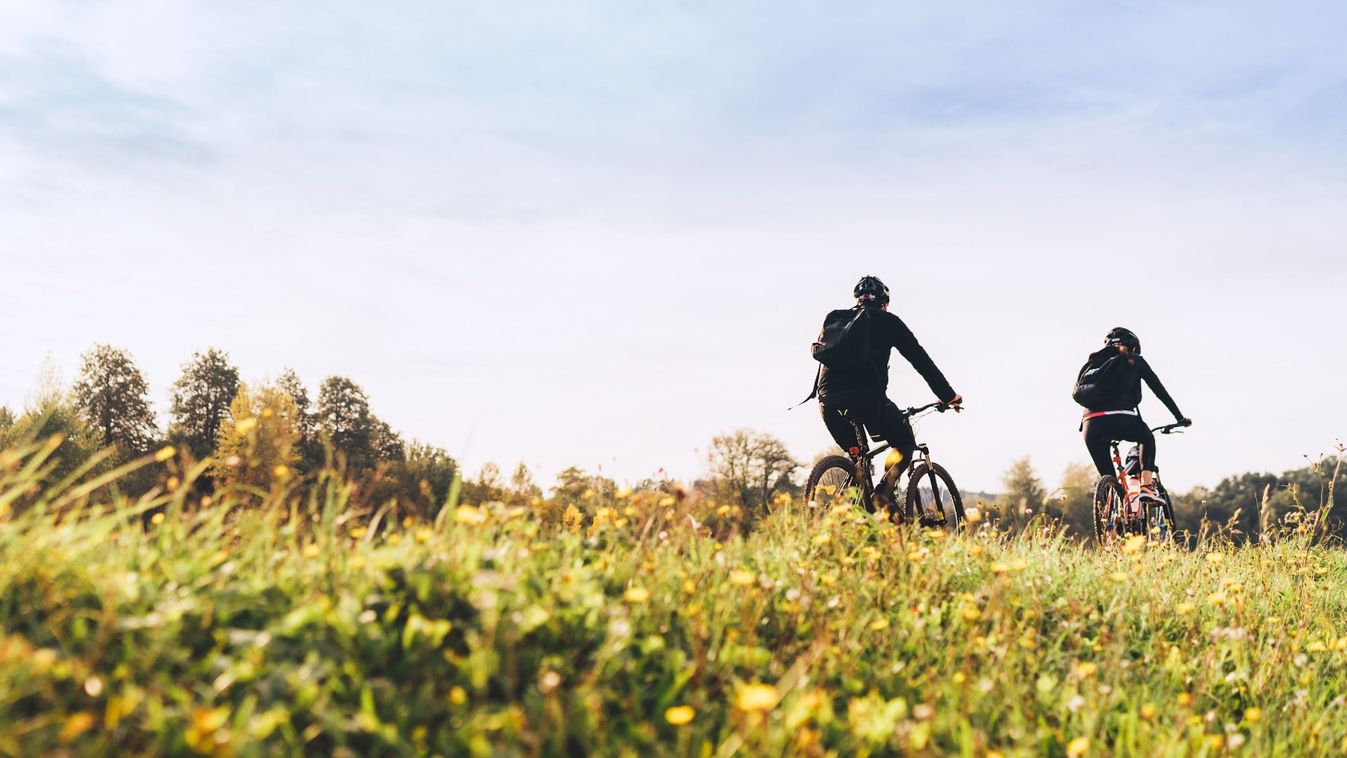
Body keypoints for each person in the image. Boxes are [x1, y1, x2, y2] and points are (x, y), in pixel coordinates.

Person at [815, 275, 962, 514]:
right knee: (905, 442)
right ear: (884, 303)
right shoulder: (888, 322)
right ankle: (884, 493)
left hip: (829, 405)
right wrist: (948, 395)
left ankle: (860, 521)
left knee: (859, 463)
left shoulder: (837, 322)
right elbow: (921, 361)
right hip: (868, 401)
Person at [1079, 327, 1191, 503]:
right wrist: (1180, 418)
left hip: (1090, 426)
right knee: (1147, 439)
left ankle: (1111, 516)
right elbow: (1160, 391)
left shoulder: (1093, 362)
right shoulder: (1135, 360)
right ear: (1132, 347)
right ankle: (1146, 487)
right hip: (1122, 418)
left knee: (1111, 484)